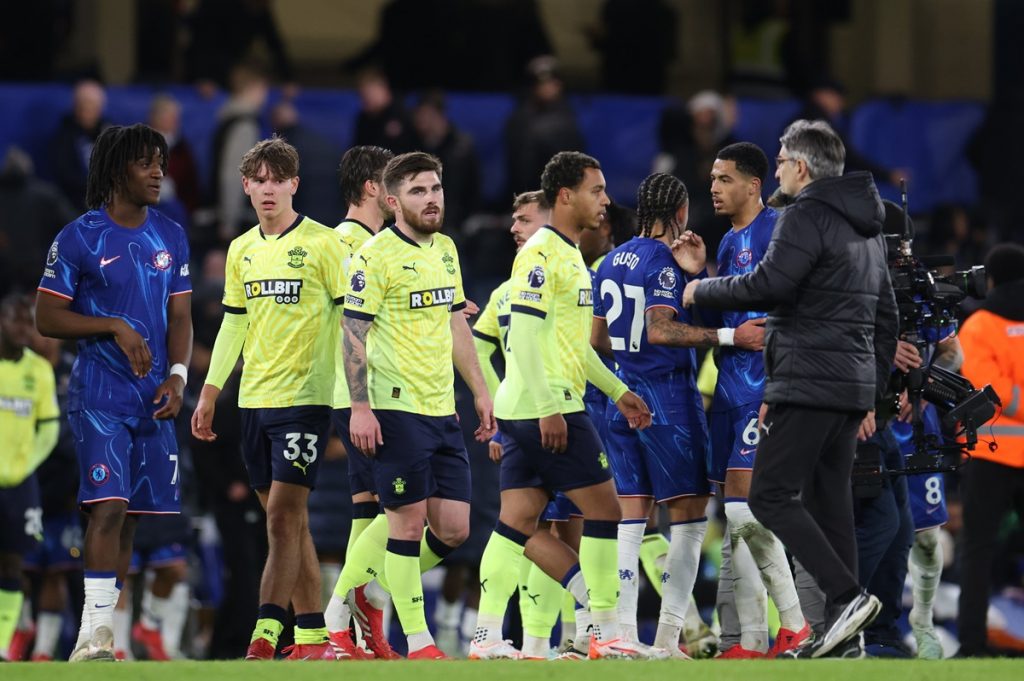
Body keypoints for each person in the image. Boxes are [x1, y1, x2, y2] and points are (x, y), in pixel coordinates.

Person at [682, 119, 898, 658]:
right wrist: (871, 389)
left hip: (808, 380)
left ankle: (848, 598)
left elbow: (772, 285)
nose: (776, 168)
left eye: (780, 160)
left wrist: (701, 287)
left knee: (769, 495)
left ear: (800, 168)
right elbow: (887, 316)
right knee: (831, 507)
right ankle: (849, 638)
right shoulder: (868, 227)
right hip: (850, 388)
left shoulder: (807, 214)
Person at [469, 151, 652, 660]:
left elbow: (574, 348)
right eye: (597, 190)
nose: (606, 200)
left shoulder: (569, 255)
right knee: (607, 511)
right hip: (547, 406)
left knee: (516, 523)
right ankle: (605, 630)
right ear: (566, 196)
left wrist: (619, 392)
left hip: (529, 405)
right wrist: (550, 406)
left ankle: (485, 636)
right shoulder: (541, 254)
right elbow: (522, 337)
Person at [35, 123, 193, 662]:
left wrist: (178, 375)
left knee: (129, 518)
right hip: (99, 395)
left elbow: (181, 315)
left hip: (153, 398)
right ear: (114, 169)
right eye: (145, 163)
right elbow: (47, 316)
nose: (157, 172)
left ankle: (97, 635)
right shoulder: (79, 237)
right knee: (108, 506)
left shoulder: (170, 234)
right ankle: (96, 633)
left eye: (160, 162)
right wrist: (111, 326)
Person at [191, 137, 345, 661]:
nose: (267, 189)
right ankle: (312, 636)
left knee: (281, 517)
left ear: (294, 185)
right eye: (258, 180)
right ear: (246, 188)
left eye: (277, 179)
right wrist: (211, 392)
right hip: (253, 401)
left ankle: (264, 635)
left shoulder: (326, 245)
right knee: (290, 524)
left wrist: (355, 399)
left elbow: (354, 325)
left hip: (306, 399)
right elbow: (234, 326)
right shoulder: (241, 250)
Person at [337, 151, 495, 659]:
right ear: (392, 200)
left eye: (435, 189)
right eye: (418, 192)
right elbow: (353, 334)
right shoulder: (375, 256)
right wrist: (361, 408)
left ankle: (352, 597)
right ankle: (421, 641)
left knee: (453, 528)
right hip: (395, 408)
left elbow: (456, 326)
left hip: (442, 408)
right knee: (405, 523)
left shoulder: (447, 249)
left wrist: (479, 391)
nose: (431, 200)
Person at [590, 172, 717, 658]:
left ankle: (622, 634)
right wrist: (725, 338)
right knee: (687, 517)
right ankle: (667, 641)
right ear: (680, 212)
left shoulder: (609, 261)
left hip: (622, 393)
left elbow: (597, 338)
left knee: (632, 517)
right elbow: (663, 330)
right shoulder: (664, 262)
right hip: (666, 396)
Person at [701, 142, 808, 658]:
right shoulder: (727, 244)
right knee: (734, 516)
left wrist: (780, 383)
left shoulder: (777, 232)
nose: (714, 188)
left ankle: (794, 623)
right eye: (713, 179)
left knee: (746, 513)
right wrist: (699, 274)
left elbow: (794, 312)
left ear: (752, 185)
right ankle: (752, 638)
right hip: (727, 388)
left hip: (762, 391)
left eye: (724, 179)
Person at [322, 144, 397, 661]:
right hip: (358, 395)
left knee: (371, 513)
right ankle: (342, 617)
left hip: (355, 395)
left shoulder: (364, 241)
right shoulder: (349, 244)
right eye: (392, 183)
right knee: (403, 508)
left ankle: (360, 620)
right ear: (373, 188)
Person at [956, 242, 1024, 657]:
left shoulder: (978, 325)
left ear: (992, 279)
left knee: (976, 551)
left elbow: (987, 390)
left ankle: (972, 644)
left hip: (991, 453)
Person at [0, 294, 60, 661]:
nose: (24, 329)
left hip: (20, 484)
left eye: (29, 322)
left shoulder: (38, 369)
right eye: (16, 321)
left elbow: (49, 428)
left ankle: (2, 643)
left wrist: (25, 466)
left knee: (12, 563)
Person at [51, 80, 109, 212]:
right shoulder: (64, 136)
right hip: (77, 198)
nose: (88, 111)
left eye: (93, 107)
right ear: (76, 107)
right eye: (84, 106)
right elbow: (64, 174)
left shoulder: (110, 131)